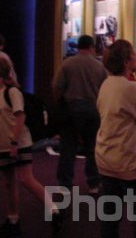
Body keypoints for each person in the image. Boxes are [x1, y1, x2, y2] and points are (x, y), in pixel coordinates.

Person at [95, 40, 136, 238]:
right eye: (133, 54)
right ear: (125, 62)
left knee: (110, 216)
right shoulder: (130, 88)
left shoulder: (106, 84)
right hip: (127, 160)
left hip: (106, 157)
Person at [0, 57, 64, 237]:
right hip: (3, 145)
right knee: (9, 182)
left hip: (19, 143)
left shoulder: (12, 92)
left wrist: (14, 142)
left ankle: (54, 211)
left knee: (26, 179)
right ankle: (13, 218)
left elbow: (20, 117)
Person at [52, 34, 107, 194]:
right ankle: (94, 183)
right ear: (91, 47)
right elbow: (105, 89)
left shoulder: (67, 64)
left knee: (68, 148)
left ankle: (65, 184)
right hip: (93, 110)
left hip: (71, 109)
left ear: (78, 47)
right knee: (92, 148)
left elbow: (57, 86)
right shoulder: (99, 66)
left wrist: (60, 103)